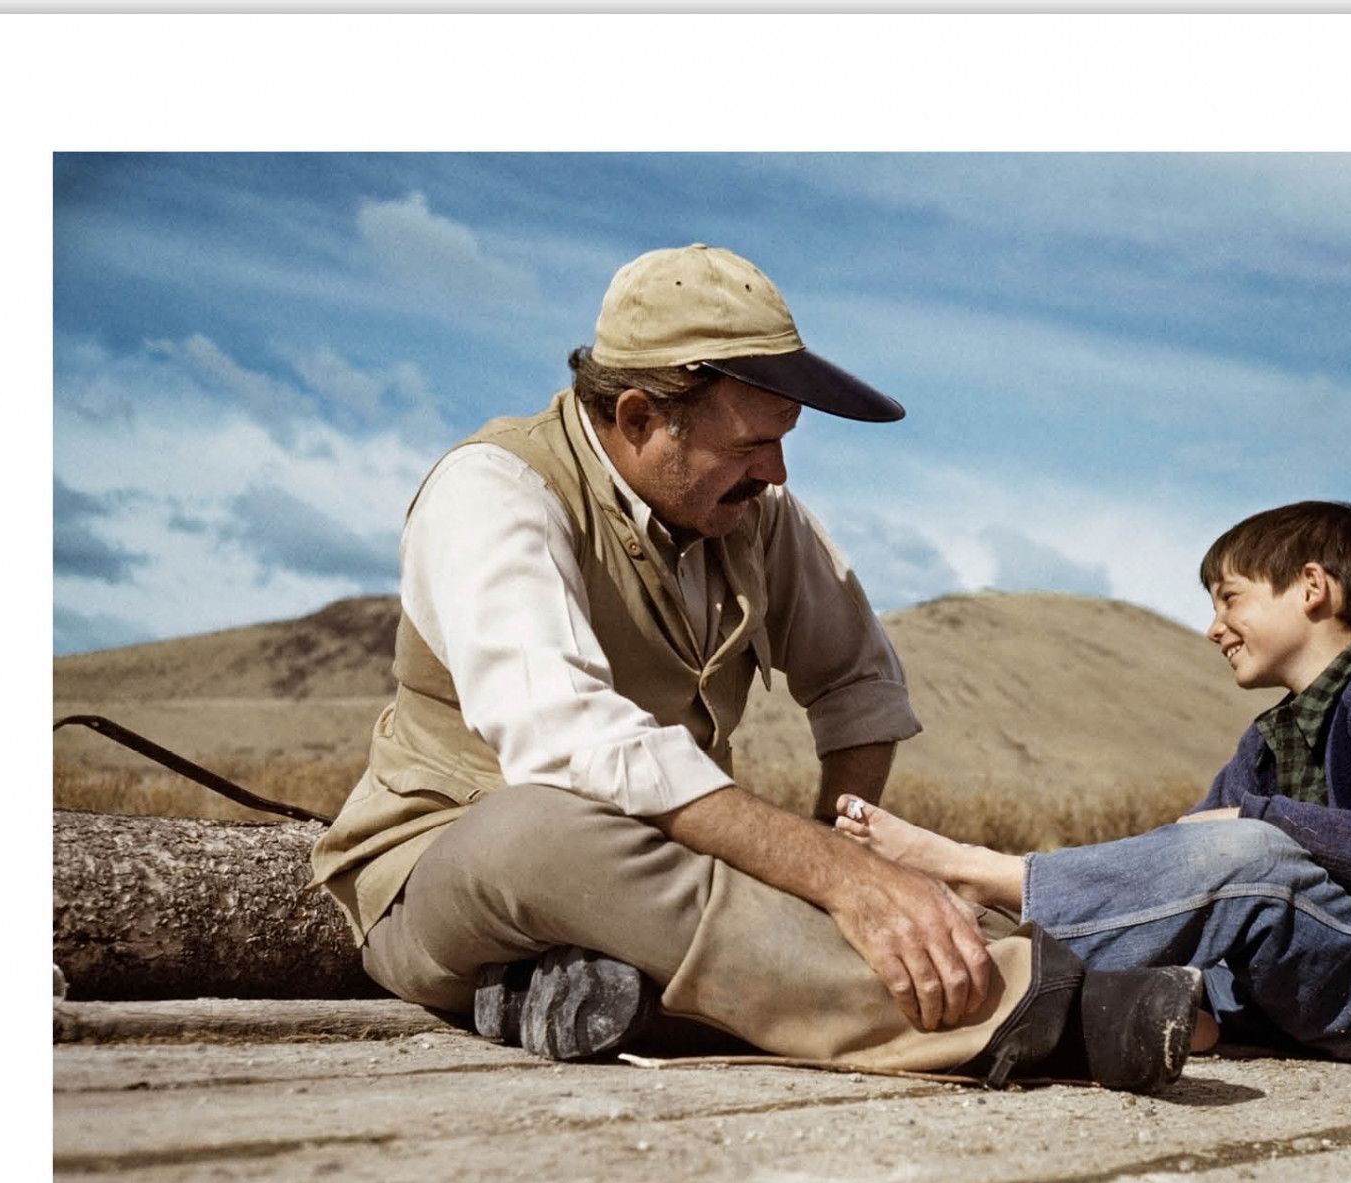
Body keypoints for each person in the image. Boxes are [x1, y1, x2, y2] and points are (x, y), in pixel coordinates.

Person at [307, 243, 1201, 1093]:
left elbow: (858, 685)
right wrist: (833, 881)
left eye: (783, 441)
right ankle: (1027, 1014)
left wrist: (852, 860)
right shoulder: (494, 488)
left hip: (670, 878)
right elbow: (565, 735)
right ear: (640, 417)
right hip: (446, 875)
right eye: (750, 444)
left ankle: (600, 998)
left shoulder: (755, 512)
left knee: (841, 896)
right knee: (537, 832)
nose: (774, 472)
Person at [837, 501, 1351, 1075]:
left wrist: (1259, 821)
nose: (1213, 629)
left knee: (1245, 848)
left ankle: (981, 872)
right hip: (1303, 983)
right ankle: (968, 954)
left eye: (1229, 598)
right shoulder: (1269, 739)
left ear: (1311, 588)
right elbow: (1180, 868)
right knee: (1207, 863)